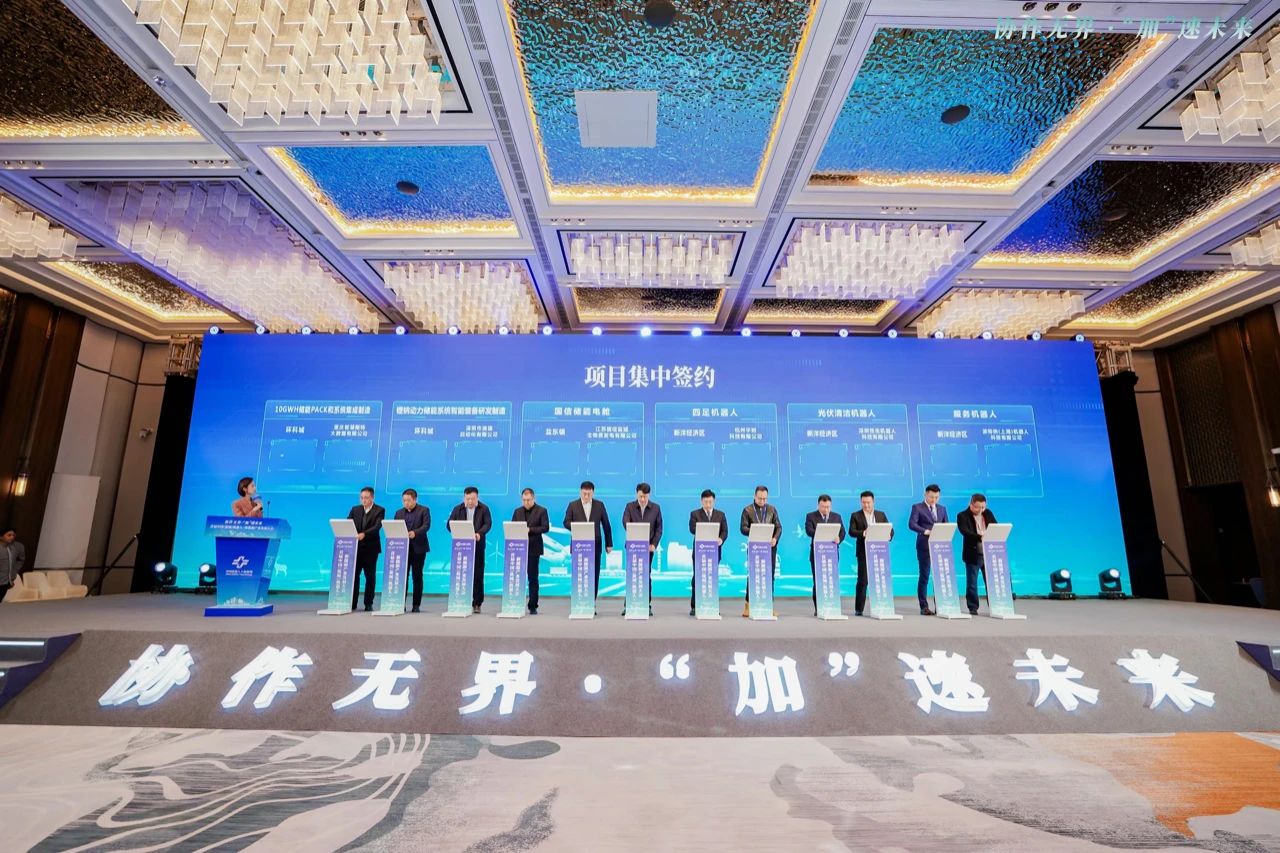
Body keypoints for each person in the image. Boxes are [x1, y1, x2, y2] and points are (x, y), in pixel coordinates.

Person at [562, 480, 613, 607]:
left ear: (593, 493)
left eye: (589, 494)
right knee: (579, 574)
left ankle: (591, 603)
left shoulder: (599, 505)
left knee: (594, 574)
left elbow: (606, 525)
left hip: (595, 545)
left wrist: (609, 544)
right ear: (580, 492)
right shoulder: (573, 505)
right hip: (578, 546)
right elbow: (566, 522)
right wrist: (578, 526)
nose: (586, 496)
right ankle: (578, 602)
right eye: (584, 494)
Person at [848, 490, 893, 616]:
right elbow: (851, 531)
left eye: (868, 502)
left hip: (880, 552)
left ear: (873, 501)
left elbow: (890, 529)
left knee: (880, 579)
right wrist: (864, 533)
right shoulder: (855, 515)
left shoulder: (881, 515)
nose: (866, 505)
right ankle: (859, 609)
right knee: (863, 581)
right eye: (863, 502)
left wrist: (889, 535)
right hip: (863, 552)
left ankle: (882, 605)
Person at [621, 482, 663, 616]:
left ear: (649, 495)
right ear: (636, 494)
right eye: (640, 496)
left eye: (645, 496)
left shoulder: (655, 508)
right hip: (633, 548)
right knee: (632, 575)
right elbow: (625, 521)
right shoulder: (630, 506)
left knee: (646, 575)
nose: (643, 499)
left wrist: (654, 544)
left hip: (648, 549)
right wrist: (634, 532)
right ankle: (628, 604)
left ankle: (646, 604)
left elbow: (659, 529)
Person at [738, 485, 780, 618]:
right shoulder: (747, 510)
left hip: (769, 548)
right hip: (755, 548)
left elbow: (779, 527)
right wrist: (757, 530)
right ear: (754, 496)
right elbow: (743, 528)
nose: (762, 501)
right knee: (753, 575)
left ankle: (768, 606)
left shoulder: (772, 509)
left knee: (769, 576)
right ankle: (748, 605)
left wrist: (775, 538)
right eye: (760, 498)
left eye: (764, 499)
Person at [449, 486, 492, 613]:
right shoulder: (458, 509)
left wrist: (479, 533)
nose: (470, 501)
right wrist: (458, 531)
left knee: (478, 575)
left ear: (477, 498)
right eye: (467, 499)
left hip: (478, 546)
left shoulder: (484, 509)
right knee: (461, 574)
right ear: (464, 498)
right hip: (461, 547)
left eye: (472, 499)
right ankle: (460, 600)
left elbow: (488, 524)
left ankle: (477, 603)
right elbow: (449, 525)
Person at [907, 484, 947, 616]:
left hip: (940, 547)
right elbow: (912, 524)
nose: (934, 500)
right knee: (924, 576)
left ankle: (941, 605)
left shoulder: (942, 509)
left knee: (940, 577)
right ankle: (924, 606)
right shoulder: (917, 507)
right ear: (925, 494)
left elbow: (946, 525)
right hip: (924, 546)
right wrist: (925, 531)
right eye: (931, 497)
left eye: (936, 497)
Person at [687, 488, 728, 616]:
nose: (708, 504)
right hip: (700, 552)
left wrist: (721, 539)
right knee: (697, 578)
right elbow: (692, 529)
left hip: (714, 552)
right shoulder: (695, 514)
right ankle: (695, 606)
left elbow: (725, 531)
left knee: (712, 578)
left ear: (714, 501)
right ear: (701, 501)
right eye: (706, 502)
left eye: (710, 502)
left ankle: (712, 604)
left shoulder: (720, 515)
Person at [956, 493, 997, 616]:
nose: (981, 510)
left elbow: (995, 526)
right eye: (978, 507)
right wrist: (980, 536)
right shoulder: (962, 515)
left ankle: (995, 606)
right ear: (971, 505)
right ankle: (973, 607)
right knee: (972, 583)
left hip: (989, 553)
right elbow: (965, 532)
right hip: (973, 553)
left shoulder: (988, 513)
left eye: (983, 507)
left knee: (991, 581)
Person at [804, 494, 845, 616]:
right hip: (817, 554)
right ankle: (819, 608)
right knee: (818, 581)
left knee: (831, 580)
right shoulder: (811, 516)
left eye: (828, 507)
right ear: (818, 505)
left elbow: (842, 532)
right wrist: (824, 532)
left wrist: (839, 538)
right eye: (823, 507)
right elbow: (809, 531)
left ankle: (832, 605)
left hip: (832, 554)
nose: (826, 509)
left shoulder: (836, 516)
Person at [511, 488, 550, 614]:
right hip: (518, 548)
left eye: (528, 500)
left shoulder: (542, 510)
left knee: (533, 578)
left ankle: (533, 605)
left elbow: (545, 528)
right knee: (517, 577)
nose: (526, 502)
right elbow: (512, 526)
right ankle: (515, 603)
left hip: (534, 548)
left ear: (534, 498)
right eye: (524, 500)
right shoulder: (517, 511)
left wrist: (530, 530)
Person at [347, 487, 384, 612]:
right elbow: (348, 523)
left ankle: (368, 603)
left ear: (372, 498)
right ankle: (352, 602)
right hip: (356, 548)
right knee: (354, 576)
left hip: (371, 549)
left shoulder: (379, 510)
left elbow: (377, 526)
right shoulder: (355, 509)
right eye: (362, 498)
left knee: (370, 576)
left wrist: (364, 534)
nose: (364, 500)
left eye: (366, 498)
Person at [395, 488, 430, 613]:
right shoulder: (399, 513)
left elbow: (426, 526)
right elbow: (395, 528)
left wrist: (415, 533)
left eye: (408, 500)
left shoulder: (424, 510)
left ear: (415, 499)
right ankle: (400, 603)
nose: (406, 503)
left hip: (418, 549)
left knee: (417, 576)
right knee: (402, 577)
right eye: (404, 500)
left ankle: (416, 605)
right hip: (402, 549)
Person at [0, 527, 24, 603]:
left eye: (13, 535)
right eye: (9, 535)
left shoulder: (14, 548)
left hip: (5, 583)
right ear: (1, 537)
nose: (12, 537)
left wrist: (13, 574)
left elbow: (20, 561)